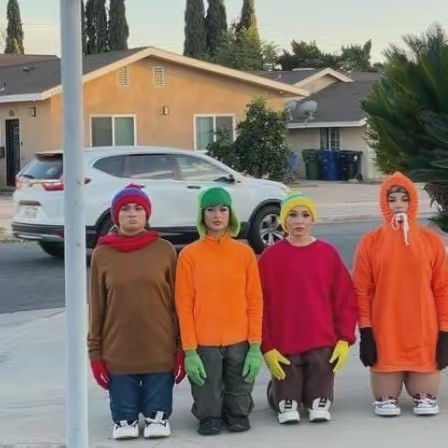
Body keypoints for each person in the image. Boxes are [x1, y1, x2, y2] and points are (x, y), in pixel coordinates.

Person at [87, 184, 185, 441]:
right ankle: (125, 417)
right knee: (125, 422)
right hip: (119, 351)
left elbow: (177, 303)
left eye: (138, 208)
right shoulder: (102, 254)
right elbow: (96, 306)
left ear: (147, 214)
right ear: (116, 215)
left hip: (159, 348)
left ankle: (157, 415)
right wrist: (95, 353)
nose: (132, 214)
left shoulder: (164, 250)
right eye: (125, 209)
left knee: (157, 419)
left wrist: (181, 347)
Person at [353, 171, 448, 417]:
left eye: (404, 199)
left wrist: (445, 332)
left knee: (426, 396)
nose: (398, 205)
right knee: (385, 398)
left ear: (413, 201)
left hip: (423, 334)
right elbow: (362, 291)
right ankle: (388, 392)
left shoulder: (431, 241)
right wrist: (366, 332)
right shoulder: (370, 242)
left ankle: (421, 390)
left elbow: (443, 290)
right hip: (386, 333)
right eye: (392, 199)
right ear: (384, 203)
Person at [259, 192, 357, 424]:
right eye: (292, 215)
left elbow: (344, 298)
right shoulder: (270, 257)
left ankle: (317, 398)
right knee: (288, 397)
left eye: (305, 215)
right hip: (285, 341)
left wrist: (344, 338)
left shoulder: (327, 254)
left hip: (321, 339)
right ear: (284, 220)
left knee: (319, 387)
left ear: (312, 219)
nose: (299, 221)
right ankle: (281, 396)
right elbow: (260, 303)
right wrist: (267, 345)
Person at [175, 186, 263, 436]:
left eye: (223, 209)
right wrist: (190, 350)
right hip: (205, 341)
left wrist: (254, 346)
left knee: (239, 403)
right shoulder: (189, 255)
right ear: (202, 215)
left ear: (230, 214)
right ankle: (209, 414)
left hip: (239, 339)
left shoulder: (244, 253)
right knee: (209, 399)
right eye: (211, 210)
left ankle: (236, 411)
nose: (217, 215)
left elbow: (255, 300)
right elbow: (184, 305)